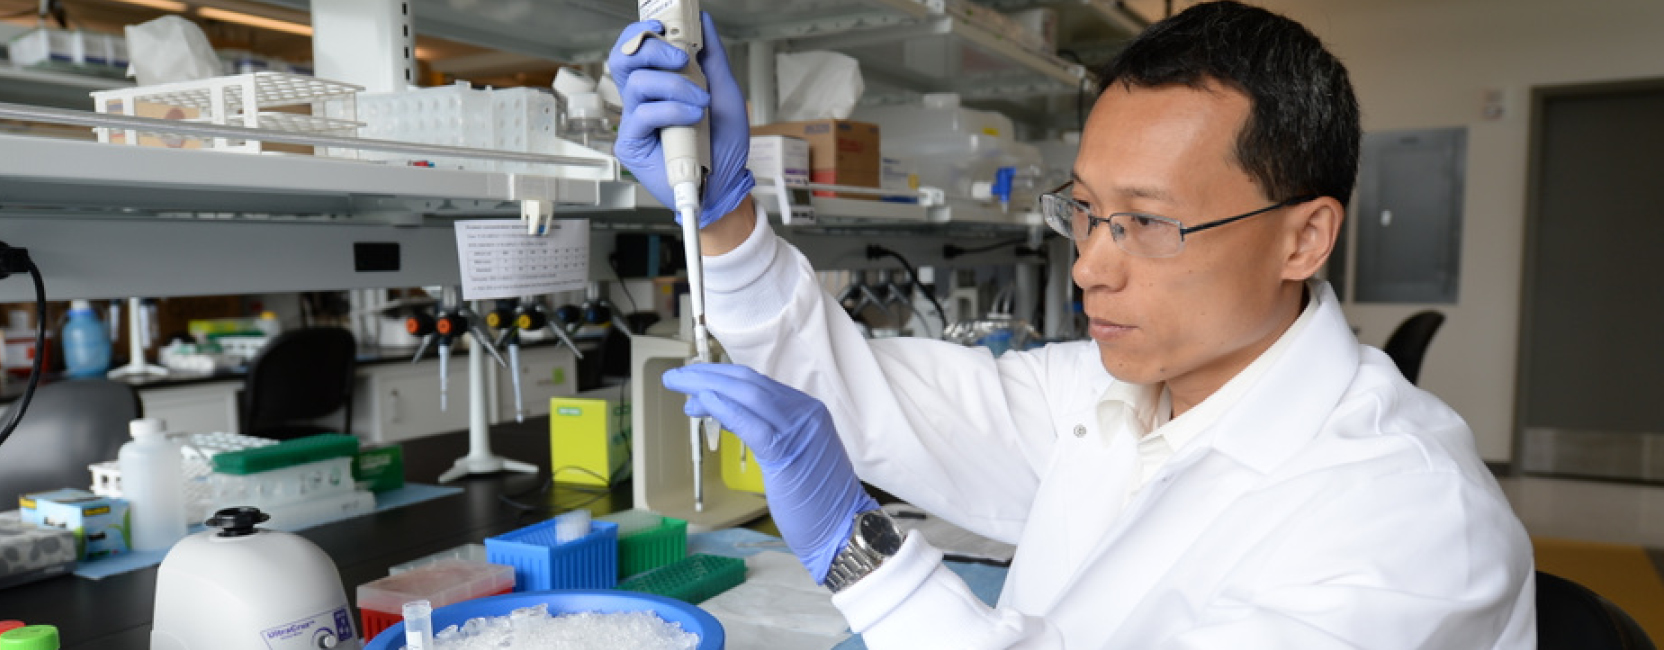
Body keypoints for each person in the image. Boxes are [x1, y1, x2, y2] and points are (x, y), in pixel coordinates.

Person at [610, 2, 1535, 647]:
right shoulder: (1111, 392)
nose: (1090, 262)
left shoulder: (1406, 523)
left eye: (1150, 222)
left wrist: (866, 559)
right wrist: (726, 218)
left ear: (1305, 238)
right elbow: (866, 399)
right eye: (1086, 210)